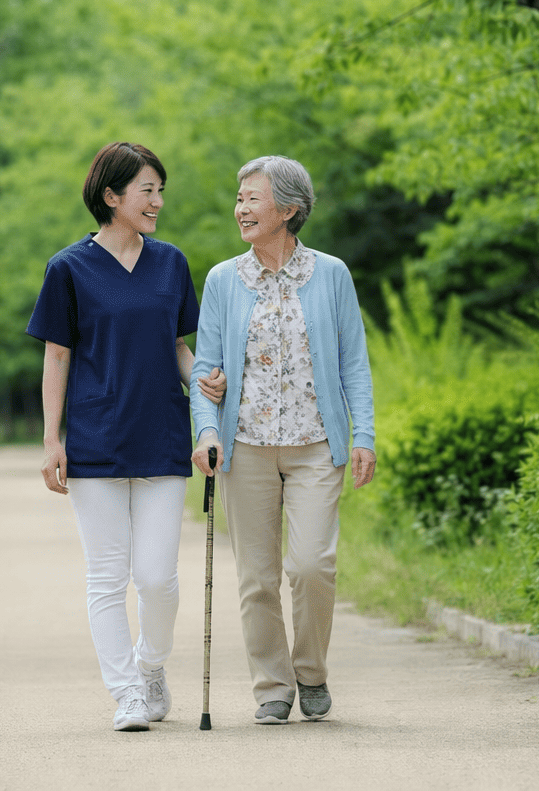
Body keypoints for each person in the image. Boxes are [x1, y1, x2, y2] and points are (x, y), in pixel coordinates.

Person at [27, 141, 225, 732]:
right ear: (111, 196)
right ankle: (127, 693)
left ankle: (151, 666)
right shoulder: (68, 268)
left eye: (160, 190)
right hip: (97, 439)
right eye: (147, 190)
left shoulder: (171, 263)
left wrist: (203, 382)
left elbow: (178, 346)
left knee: (158, 579)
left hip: (162, 436)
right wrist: (52, 440)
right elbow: (56, 357)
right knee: (107, 578)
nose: (158, 201)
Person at [190, 155, 376, 725]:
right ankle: (272, 685)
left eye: (253, 198)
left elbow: (353, 362)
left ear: (289, 210)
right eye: (239, 198)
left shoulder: (331, 275)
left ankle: (311, 670)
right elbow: (205, 371)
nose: (241, 208)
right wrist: (207, 429)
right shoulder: (223, 280)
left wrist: (364, 434)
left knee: (312, 565)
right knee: (257, 578)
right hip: (245, 447)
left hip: (316, 444)